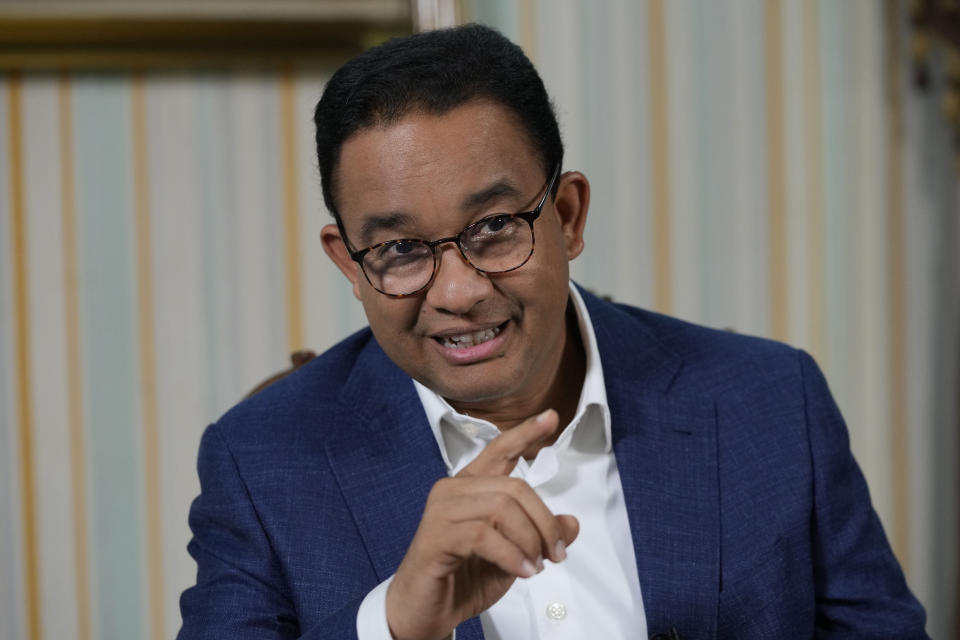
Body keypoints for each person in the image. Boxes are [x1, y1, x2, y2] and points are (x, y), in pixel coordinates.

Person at [178, 23, 928, 640]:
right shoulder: (262, 460)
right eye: (401, 250)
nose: (461, 291)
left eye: (495, 227)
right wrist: (395, 622)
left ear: (567, 217)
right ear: (349, 263)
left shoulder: (769, 402)